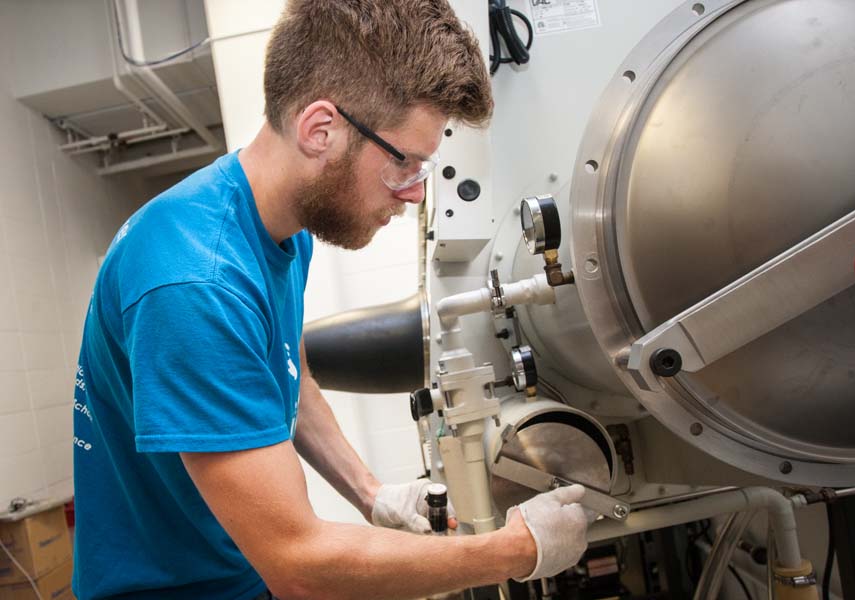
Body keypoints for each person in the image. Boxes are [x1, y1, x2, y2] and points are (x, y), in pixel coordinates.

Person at [71, 1, 596, 598]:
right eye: (406, 161)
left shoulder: (279, 229)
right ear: (321, 130)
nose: (417, 193)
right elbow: (297, 564)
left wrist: (370, 493)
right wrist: (514, 550)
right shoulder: (195, 282)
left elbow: (283, 374)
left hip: (239, 574)